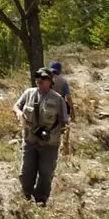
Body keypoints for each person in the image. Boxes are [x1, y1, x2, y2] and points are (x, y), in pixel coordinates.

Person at [13, 67, 69, 206]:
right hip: (30, 141)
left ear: (50, 81)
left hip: (49, 144)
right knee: (25, 172)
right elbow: (16, 106)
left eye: (43, 78)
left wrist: (65, 143)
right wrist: (19, 112)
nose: (39, 80)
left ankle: (41, 200)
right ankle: (26, 197)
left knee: (45, 173)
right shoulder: (28, 93)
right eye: (37, 77)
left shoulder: (58, 99)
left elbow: (65, 122)